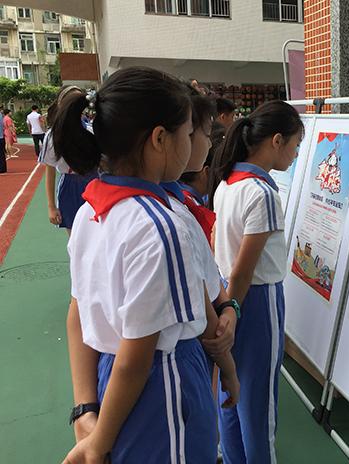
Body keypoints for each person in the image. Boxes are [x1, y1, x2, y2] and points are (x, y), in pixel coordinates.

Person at [53, 67, 239, 464]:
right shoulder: (161, 227)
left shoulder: (90, 210)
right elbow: (137, 359)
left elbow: (78, 310)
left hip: (111, 382)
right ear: (159, 139)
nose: (193, 142)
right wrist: (98, 445)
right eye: (187, 132)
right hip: (161, 385)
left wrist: (86, 410)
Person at [210, 100, 303, 463]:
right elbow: (244, 270)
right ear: (276, 141)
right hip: (256, 301)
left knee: (231, 392)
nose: (295, 154)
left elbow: (226, 256)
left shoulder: (227, 182)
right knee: (259, 403)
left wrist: (227, 308)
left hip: (226, 295)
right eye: (295, 145)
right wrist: (234, 310)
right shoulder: (262, 193)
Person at [39, 86, 96, 234]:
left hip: (95, 183)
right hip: (71, 188)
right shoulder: (53, 136)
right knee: (75, 237)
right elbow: (50, 171)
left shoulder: (91, 129)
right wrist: (51, 206)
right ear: (61, 105)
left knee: (97, 234)